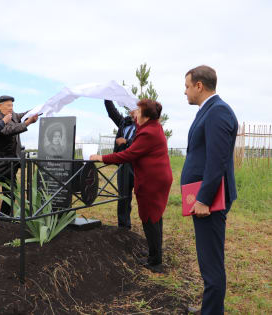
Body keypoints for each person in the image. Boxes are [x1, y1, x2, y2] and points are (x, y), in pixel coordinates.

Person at [90, 99, 172, 273]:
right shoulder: (151, 126)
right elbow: (138, 123)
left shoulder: (148, 133)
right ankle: (153, 252)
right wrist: (136, 114)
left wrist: (101, 158)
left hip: (152, 181)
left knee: (150, 219)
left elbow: (128, 154)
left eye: (139, 111)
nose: (135, 113)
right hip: (156, 178)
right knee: (154, 217)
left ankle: (155, 261)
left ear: (146, 115)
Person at [181, 65, 238, 315]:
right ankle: (210, 306)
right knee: (207, 260)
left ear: (199, 86)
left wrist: (203, 198)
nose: (185, 92)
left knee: (211, 263)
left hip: (210, 202)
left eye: (187, 86)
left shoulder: (218, 112)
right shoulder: (208, 111)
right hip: (203, 200)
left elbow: (218, 161)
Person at [0, 95, 38, 216]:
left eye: (12, 105)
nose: (11, 108)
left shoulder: (12, 114)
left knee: (10, 192)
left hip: (10, 162)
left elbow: (22, 115)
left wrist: (37, 110)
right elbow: (8, 130)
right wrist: (27, 123)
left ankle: (6, 218)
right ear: (0, 106)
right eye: (8, 105)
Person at [104, 100, 137, 230]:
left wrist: (126, 141)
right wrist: (107, 97)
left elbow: (143, 141)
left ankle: (148, 225)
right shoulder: (124, 122)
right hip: (124, 164)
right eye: (131, 109)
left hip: (138, 165)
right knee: (123, 196)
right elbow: (112, 113)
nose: (132, 112)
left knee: (143, 196)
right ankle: (123, 226)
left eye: (135, 109)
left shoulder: (144, 126)